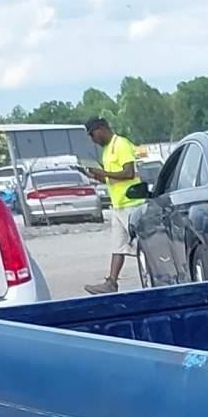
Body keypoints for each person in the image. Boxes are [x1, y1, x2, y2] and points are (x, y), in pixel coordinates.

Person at [81, 116, 147, 294]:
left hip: (132, 203)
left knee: (144, 244)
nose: (92, 139)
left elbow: (128, 173)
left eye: (92, 134)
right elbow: (112, 177)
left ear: (101, 129)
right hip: (118, 205)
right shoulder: (107, 150)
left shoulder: (121, 144)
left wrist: (104, 172)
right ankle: (111, 283)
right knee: (117, 246)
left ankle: (156, 275)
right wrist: (97, 176)